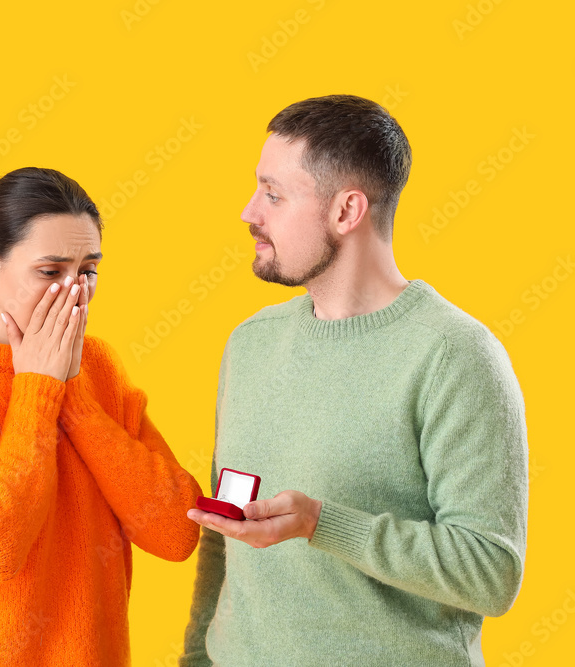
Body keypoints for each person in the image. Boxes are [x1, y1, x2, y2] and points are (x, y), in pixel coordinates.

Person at [180, 95, 528, 666]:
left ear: (347, 212)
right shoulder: (250, 343)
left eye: (273, 194)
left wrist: (322, 523)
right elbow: (223, 534)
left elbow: (490, 572)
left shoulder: (455, 356)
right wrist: (197, 658)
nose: (249, 212)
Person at [0, 166, 203, 666]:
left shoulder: (96, 367)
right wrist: (38, 386)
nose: (73, 290)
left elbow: (175, 531)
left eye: (88, 270)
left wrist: (71, 391)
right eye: (50, 271)